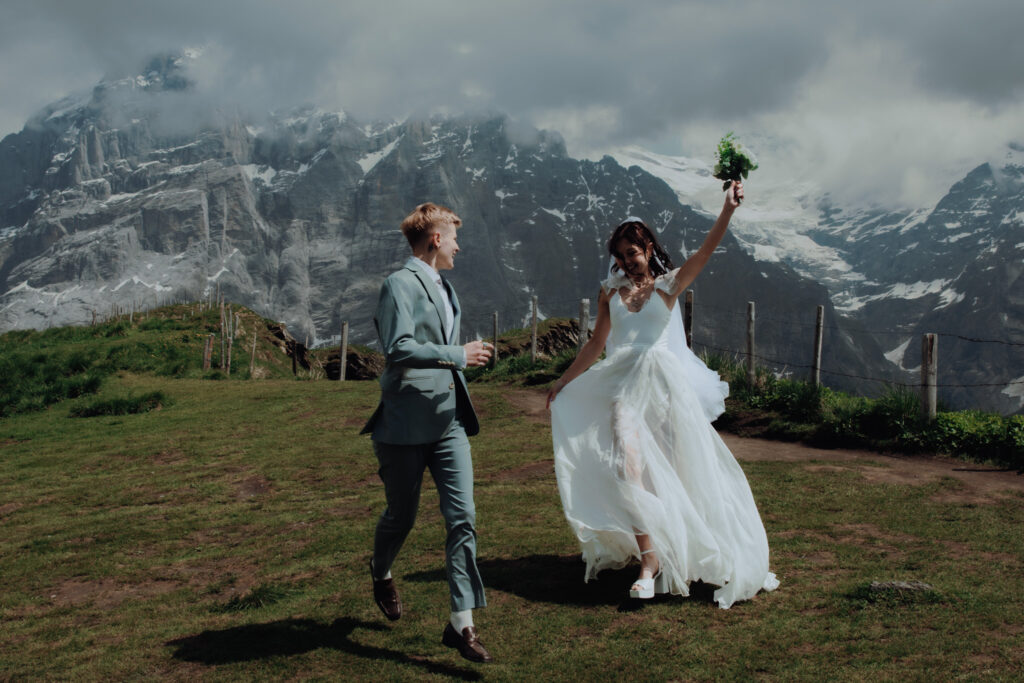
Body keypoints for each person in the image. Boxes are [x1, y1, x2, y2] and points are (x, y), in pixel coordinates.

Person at [546, 182, 779, 609]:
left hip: (664, 389)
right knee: (627, 468)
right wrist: (563, 382)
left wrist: (726, 210)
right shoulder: (610, 293)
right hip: (622, 386)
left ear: (649, 248)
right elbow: (596, 345)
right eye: (619, 257)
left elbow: (705, 254)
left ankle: (692, 547)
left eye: (632, 254)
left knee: (681, 472)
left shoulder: (669, 285)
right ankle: (649, 563)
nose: (626, 263)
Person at [360, 203, 495, 663]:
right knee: (402, 516)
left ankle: (462, 622)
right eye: (453, 237)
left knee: (463, 517)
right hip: (403, 424)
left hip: (449, 419)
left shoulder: (446, 285)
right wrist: (458, 354)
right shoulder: (398, 284)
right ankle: (381, 571)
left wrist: (455, 362)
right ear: (435, 239)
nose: (459, 245)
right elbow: (398, 348)